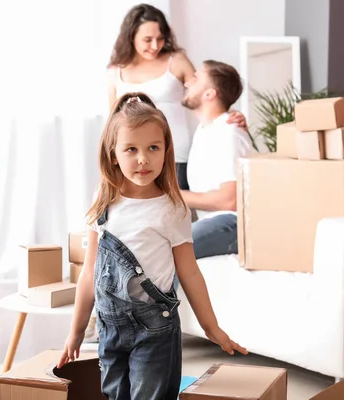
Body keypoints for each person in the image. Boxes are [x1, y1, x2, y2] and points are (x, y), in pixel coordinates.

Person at [57, 92, 247, 400]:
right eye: (131, 149)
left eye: (153, 148)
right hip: (110, 328)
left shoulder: (172, 208)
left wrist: (211, 327)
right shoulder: (103, 202)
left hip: (155, 331)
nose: (143, 158)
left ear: (165, 151)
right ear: (113, 154)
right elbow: (89, 274)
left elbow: (189, 272)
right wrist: (76, 331)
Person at [106, 3, 247, 191]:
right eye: (147, 40)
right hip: (132, 160)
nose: (155, 46)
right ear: (131, 37)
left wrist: (231, 115)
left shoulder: (176, 61)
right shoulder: (116, 72)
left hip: (176, 156)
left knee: (174, 214)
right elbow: (113, 119)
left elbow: (206, 92)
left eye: (160, 38)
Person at [181, 60, 254, 259]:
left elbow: (230, 200)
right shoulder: (205, 130)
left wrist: (175, 195)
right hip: (218, 221)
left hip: (234, 223)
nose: (187, 83)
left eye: (195, 78)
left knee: (172, 250)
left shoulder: (229, 133)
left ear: (209, 93)